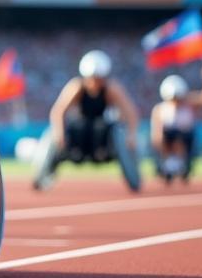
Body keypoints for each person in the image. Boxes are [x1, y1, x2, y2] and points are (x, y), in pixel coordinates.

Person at [34, 49, 139, 190]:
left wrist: (131, 135)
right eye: (92, 78)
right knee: (58, 132)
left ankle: (133, 179)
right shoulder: (76, 86)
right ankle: (43, 176)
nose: (95, 82)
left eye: (99, 78)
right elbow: (58, 111)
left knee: (113, 129)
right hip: (80, 133)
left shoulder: (112, 88)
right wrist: (59, 133)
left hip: (102, 135)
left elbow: (130, 112)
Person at [149, 61, 202, 183]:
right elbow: (156, 134)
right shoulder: (159, 109)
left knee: (180, 137)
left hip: (186, 139)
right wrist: (160, 145)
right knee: (166, 136)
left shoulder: (189, 104)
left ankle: (180, 164)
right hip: (167, 141)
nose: (176, 102)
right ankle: (168, 164)